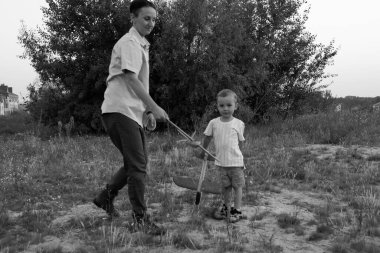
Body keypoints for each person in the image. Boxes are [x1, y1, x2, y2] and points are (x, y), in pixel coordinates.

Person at [93, 0, 168, 235]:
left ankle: (106, 197)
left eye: (154, 19)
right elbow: (130, 78)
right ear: (133, 18)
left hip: (129, 112)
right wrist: (154, 106)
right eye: (146, 18)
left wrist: (146, 112)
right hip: (119, 110)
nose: (151, 23)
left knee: (136, 163)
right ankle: (140, 219)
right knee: (138, 165)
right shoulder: (129, 43)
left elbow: (139, 82)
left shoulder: (141, 45)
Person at [196, 89, 246, 222]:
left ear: (236, 106)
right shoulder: (213, 123)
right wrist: (203, 151)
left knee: (237, 186)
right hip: (221, 163)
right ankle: (226, 208)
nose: (225, 108)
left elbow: (241, 143)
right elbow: (207, 138)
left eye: (229, 105)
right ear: (217, 106)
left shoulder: (239, 124)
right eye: (221, 105)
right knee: (225, 187)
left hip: (235, 163)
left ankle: (237, 210)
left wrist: (239, 157)